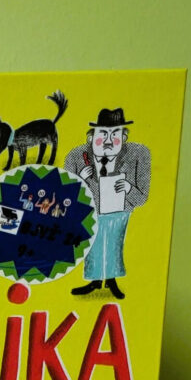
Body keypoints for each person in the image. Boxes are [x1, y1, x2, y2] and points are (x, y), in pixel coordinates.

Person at [63, 108, 150, 300]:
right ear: (91, 137)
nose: (109, 141)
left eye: (115, 135)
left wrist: (128, 188)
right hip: (89, 212)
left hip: (118, 212)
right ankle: (94, 281)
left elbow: (143, 197)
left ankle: (111, 280)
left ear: (124, 137)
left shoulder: (138, 155)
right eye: (103, 134)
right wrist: (80, 180)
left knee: (113, 244)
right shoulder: (75, 157)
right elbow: (65, 193)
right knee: (92, 244)